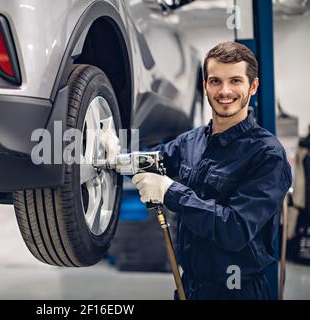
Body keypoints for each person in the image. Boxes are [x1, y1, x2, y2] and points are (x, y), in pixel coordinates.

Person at [103, 41, 292, 299]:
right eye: (215, 81)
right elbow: (155, 161)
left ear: (253, 86)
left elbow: (234, 230)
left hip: (236, 290)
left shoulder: (267, 155)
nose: (225, 91)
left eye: (235, 81)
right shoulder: (190, 141)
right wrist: (115, 157)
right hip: (190, 286)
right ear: (205, 86)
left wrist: (170, 192)